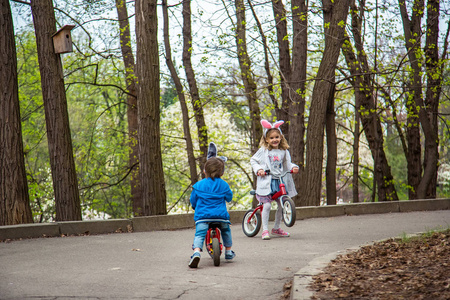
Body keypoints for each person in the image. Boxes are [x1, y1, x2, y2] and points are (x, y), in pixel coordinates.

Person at [250, 119, 299, 240]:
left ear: (281, 137)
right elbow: (253, 160)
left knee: (282, 204)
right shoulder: (264, 150)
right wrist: (259, 170)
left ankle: (276, 228)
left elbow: (288, 163)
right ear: (266, 139)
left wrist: (293, 167)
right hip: (267, 181)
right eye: (271, 138)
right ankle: (265, 230)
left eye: (277, 137)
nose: (274, 140)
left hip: (279, 181)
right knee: (266, 206)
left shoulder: (284, 151)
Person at [188, 156, 235, 268]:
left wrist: (195, 206)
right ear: (222, 173)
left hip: (203, 216)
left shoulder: (199, 185)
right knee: (226, 230)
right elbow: (229, 197)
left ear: (204, 171)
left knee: (199, 235)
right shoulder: (224, 185)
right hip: (220, 216)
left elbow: (193, 200)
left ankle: (196, 252)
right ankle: (228, 251)